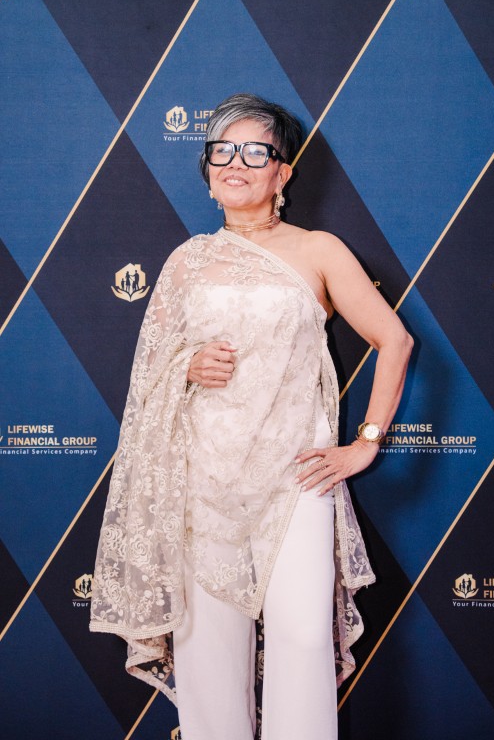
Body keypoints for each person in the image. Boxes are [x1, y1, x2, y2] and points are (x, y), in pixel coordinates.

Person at [90, 93, 413, 740]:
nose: (236, 163)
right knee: (208, 652)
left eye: (255, 152)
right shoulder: (186, 261)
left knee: (302, 637)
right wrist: (186, 366)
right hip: (201, 481)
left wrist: (366, 443)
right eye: (222, 151)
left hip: (297, 478)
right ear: (208, 172)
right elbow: (148, 376)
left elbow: (394, 340)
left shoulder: (318, 250)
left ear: (282, 172)